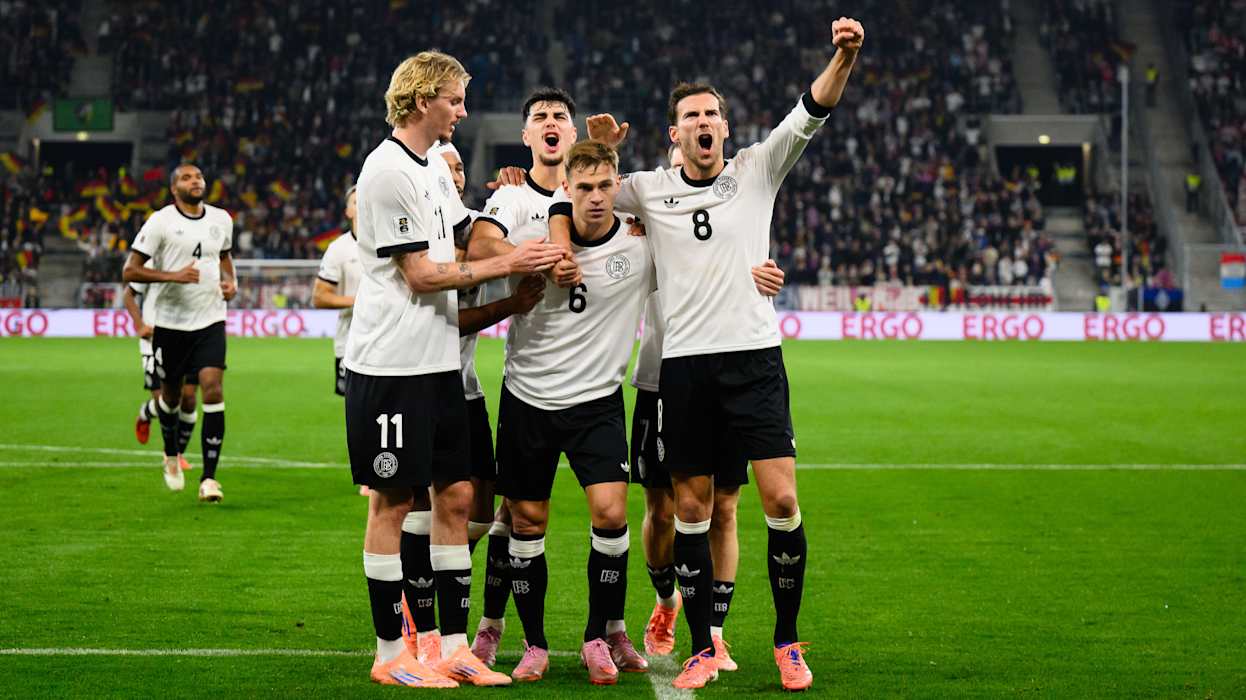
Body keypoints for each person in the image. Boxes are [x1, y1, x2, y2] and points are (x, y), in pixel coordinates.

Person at [564, 16, 865, 691]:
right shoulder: (647, 188)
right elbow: (580, 187)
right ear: (674, 134)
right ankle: (702, 646)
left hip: (754, 359)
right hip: (685, 368)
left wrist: (844, 55)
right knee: (692, 510)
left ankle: (787, 642)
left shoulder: (757, 168)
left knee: (781, 498)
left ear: (725, 128)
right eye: (691, 116)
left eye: (711, 115)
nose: (703, 123)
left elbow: (813, 108)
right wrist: (598, 148)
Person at [342, 51, 564, 688]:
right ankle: (391, 653)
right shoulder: (387, 171)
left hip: (439, 364)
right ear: (422, 101)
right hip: (392, 368)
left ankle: (453, 648)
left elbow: (471, 234)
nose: (463, 112)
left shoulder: (435, 170)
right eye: (455, 100)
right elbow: (420, 275)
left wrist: (521, 208)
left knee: (457, 498)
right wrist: (510, 263)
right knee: (391, 503)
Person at [482, 141, 651, 685]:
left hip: (597, 402)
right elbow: (484, 243)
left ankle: (597, 636)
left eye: (605, 186)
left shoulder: (640, 247)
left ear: (617, 185)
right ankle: (534, 644)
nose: (596, 197)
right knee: (527, 521)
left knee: (611, 513)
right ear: (567, 191)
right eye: (584, 188)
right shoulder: (534, 248)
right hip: (527, 398)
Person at [632, 142, 787, 672]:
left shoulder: (723, 212)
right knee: (663, 511)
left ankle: (714, 632)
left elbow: (740, 254)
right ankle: (666, 600)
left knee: (724, 508)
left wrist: (766, 273)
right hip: (662, 380)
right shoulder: (643, 222)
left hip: (724, 376)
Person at [397, 141, 547, 666]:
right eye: (446, 166)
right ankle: (418, 617)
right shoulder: (423, 235)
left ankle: (437, 579)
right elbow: (447, 320)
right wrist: (511, 303)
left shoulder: (477, 228)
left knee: (479, 510)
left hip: (466, 387)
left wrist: (519, 189)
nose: (455, 174)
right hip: (420, 384)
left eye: (461, 166)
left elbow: (507, 234)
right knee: (426, 507)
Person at [463, 87, 581, 667]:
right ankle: (492, 625)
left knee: (604, 515)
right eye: (540, 117)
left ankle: (609, 631)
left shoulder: (599, 190)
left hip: (592, 385)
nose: (550, 122)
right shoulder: (511, 195)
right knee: (513, 512)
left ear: (573, 133)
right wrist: (533, 255)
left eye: (560, 116)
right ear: (527, 136)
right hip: (528, 382)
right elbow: (482, 243)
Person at [122, 163, 236, 503]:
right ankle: (170, 454)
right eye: (186, 178)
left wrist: (232, 283)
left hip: (211, 319)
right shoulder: (160, 222)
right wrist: (173, 276)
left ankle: (209, 478)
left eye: (198, 176)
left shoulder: (221, 219)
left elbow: (225, 257)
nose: (195, 181)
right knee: (171, 399)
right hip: (170, 324)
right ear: (174, 189)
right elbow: (130, 271)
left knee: (212, 389)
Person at [124, 276, 200, 469]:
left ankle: (175, 454)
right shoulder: (151, 263)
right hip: (153, 343)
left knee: (189, 399)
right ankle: (146, 413)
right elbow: (128, 294)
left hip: (188, 340)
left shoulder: (196, 263)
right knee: (166, 401)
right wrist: (140, 325)